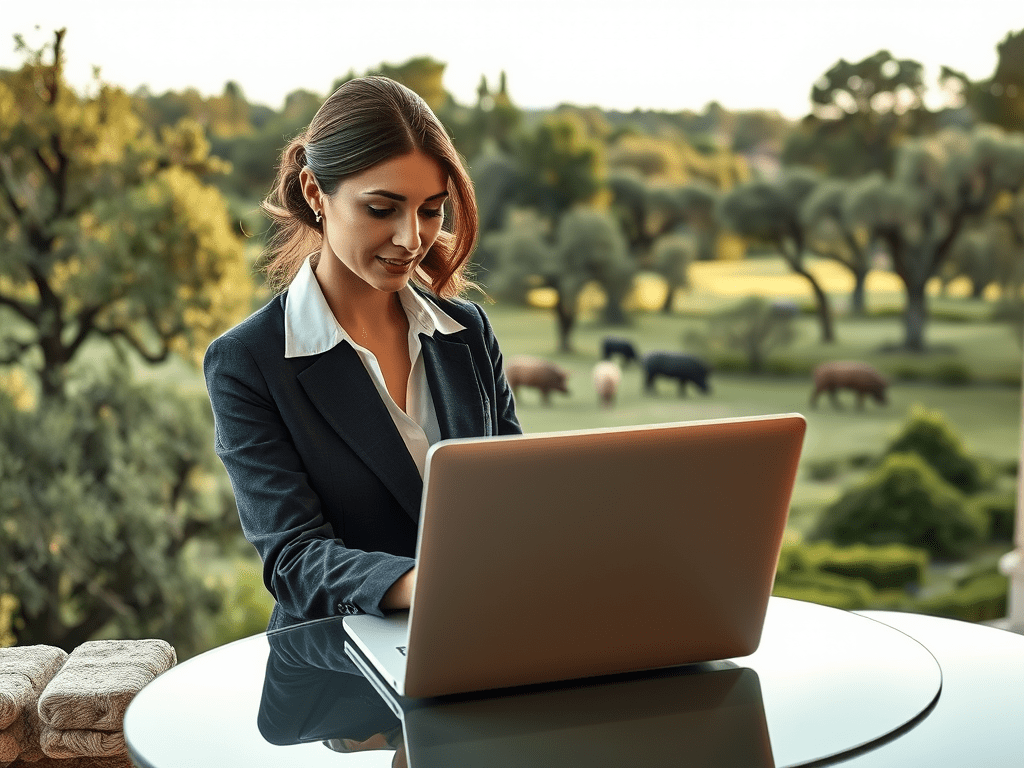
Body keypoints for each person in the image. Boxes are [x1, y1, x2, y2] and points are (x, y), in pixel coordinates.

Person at [203, 76, 521, 631]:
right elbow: (295, 559)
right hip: (338, 670)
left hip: (485, 638)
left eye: (430, 210)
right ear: (312, 192)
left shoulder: (467, 333)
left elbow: (518, 496)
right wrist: (436, 585)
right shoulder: (248, 362)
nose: (411, 239)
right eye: (381, 208)